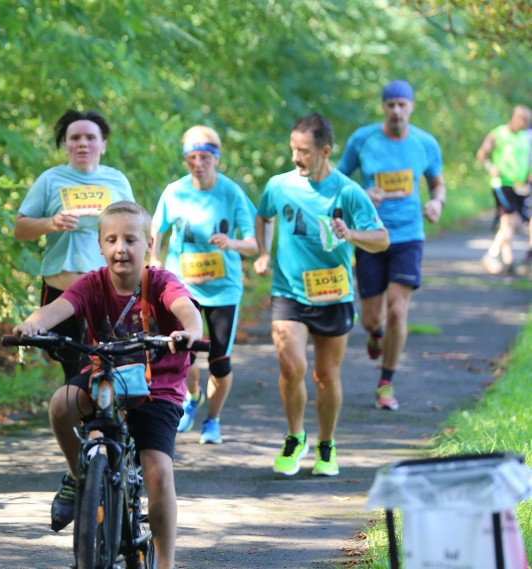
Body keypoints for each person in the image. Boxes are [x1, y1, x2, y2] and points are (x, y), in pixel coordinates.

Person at [13, 201, 203, 568]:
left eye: (131, 240)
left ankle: (165, 563)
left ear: (148, 245)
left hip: (156, 383)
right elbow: (57, 309)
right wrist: (32, 325)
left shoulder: (160, 281)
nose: (121, 248)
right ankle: (80, 477)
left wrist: (190, 331)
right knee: (59, 405)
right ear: (100, 245)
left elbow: (185, 309)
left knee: (158, 472)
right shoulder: (93, 282)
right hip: (108, 374)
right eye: (112, 239)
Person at [253, 113, 389, 477]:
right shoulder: (279, 185)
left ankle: (326, 444)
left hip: (333, 294)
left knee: (326, 375)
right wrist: (264, 252)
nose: (296, 158)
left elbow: (382, 239)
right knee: (291, 365)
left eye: (304, 152)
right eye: (293, 150)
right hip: (289, 291)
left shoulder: (348, 192)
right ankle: (295, 436)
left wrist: (352, 234)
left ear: (325, 151)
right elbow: (263, 215)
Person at [337, 80, 446, 411]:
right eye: (390, 105)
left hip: (409, 235)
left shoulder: (425, 143)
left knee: (398, 309)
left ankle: (385, 383)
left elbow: (436, 183)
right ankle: (375, 332)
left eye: (402, 104)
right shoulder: (364, 139)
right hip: (370, 236)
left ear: (411, 106)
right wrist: (361, 194)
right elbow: (338, 180)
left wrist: (437, 203)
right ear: (383, 107)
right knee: (372, 318)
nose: (396, 110)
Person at [149, 125, 258, 445]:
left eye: (205, 156)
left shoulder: (232, 193)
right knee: (183, 352)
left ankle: (213, 419)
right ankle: (191, 396)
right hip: (183, 286)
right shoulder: (175, 192)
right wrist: (153, 259)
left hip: (223, 289)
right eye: (192, 157)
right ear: (186, 160)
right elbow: (155, 228)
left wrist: (232, 243)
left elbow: (255, 244)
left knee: (219, 362)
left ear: (217, 158)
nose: (199, 163)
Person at [14, 109, 135, 380]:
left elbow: (136, 228)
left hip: (108, 286)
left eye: (91, 137)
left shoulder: (117, 180)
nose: (83, 143)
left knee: (108, 360)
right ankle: (80, 415)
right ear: (65, 144)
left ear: (103, 145)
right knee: (71, 364)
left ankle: (106, 416)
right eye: (75, 137)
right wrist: (51, 223)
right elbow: (20, 229)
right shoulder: (50, 179)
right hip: (61, 286)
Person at [475, 105, 532, 275]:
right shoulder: (498, 134)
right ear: (515, 119)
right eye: (524, 121)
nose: (525, 125)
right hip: (502, 184)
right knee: (511, 222)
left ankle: (508, 261)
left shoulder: (524, 137)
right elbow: (482, 154)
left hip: (520, 186)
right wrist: (489, 167)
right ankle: (491, 254)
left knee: (508, 223)